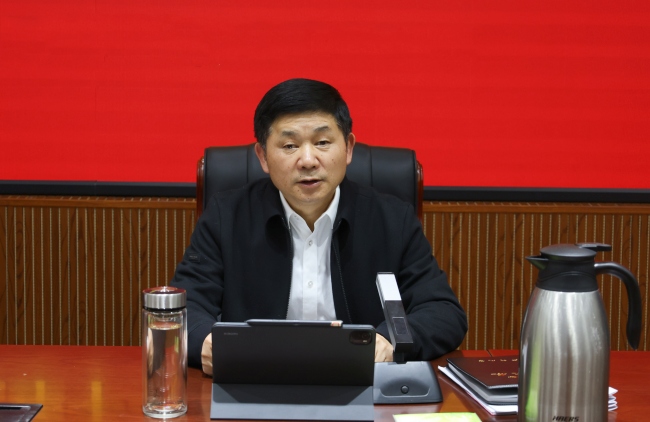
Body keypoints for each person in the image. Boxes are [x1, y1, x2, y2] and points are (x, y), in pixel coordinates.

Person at [170, 78, 467, 374]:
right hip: (254, 381)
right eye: (290, 145)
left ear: (348, 148)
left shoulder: (392, 220)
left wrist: (388, 340)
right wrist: (207, 342)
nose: (308, 160)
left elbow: (442, 312)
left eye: (322, 142)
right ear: (262, 156)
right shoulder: (226, 216)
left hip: (362, 382)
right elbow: (185, 307)